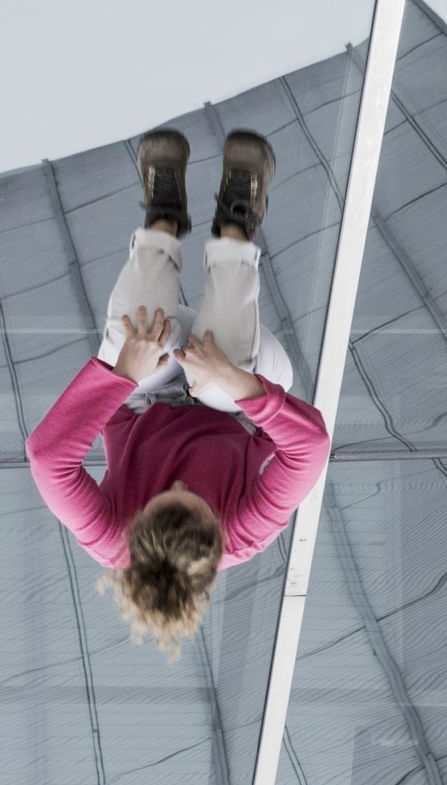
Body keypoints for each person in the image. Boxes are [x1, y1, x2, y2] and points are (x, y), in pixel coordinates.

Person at [26, 129, 331, 658]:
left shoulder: (110, 538)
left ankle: (163, 215)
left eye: (168, 490)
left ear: (137, 522)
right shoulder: (243, 534)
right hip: (238, 391)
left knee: (128, 337)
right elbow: (310, 449)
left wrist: (120, 375)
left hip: (149, 381)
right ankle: (238, 223)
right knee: (222, 369)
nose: (183, 477)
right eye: (195, 495)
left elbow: (48, 459)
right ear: (216, 530)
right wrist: (235, 382)